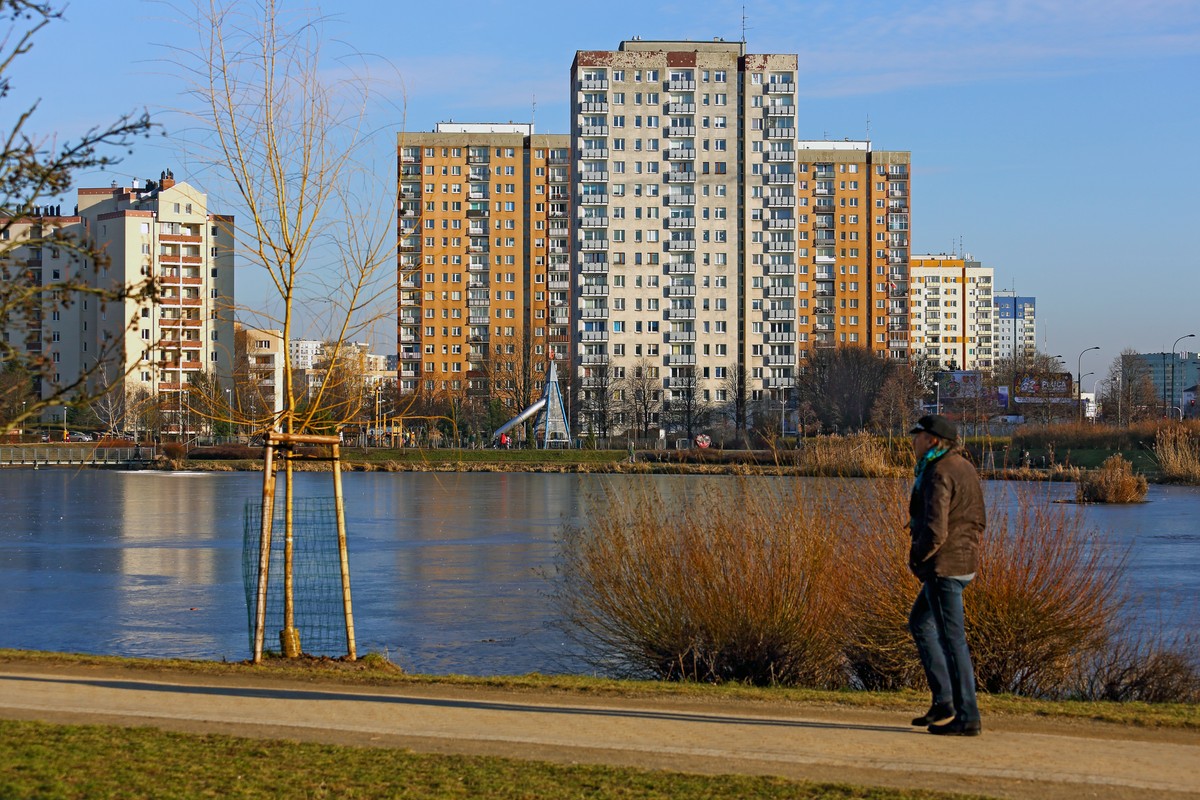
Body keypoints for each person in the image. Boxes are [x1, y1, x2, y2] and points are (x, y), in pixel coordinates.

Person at [906, 414, 985, 736]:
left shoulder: (938, 472)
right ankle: (944, 701)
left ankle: (967, 716)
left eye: (918, 436)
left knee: (953, 641)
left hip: (944, 567)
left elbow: (936, 529)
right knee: (920, 624)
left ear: (933, 441)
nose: (913, 441)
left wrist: (916, 558)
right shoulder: (964, 466)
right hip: (963, 561)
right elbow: (978, 517)